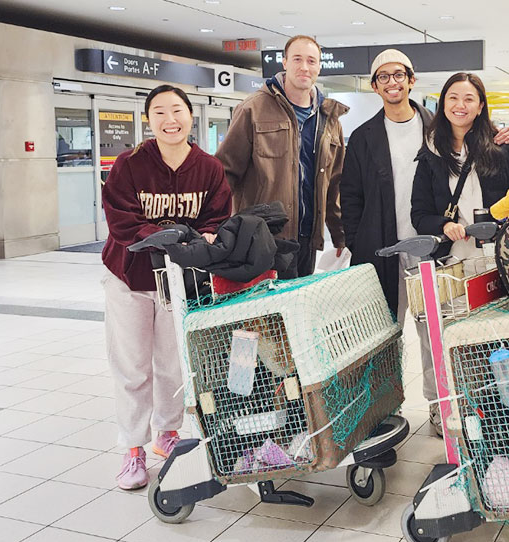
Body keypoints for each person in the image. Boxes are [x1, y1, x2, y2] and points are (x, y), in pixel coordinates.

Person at [341, 53, 509, 435]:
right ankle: (384, 410)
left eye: (399, 75)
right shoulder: (362, 137)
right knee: (384, 333)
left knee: (432, 332)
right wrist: (357, 243)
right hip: (383, 250)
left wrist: (507, 138)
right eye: (383, 77)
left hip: (437, 251)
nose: (392, 82)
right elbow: (350, 196)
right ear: (374, 85)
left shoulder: (432, 129)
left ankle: (440, 407)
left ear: (411, 80)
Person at [101, 85, 232, 490]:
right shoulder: (129, 164)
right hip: (131, 277)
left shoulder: (209, 167)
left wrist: (196, 238)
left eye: (177, 110)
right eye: (159, 112)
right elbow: (120, 218)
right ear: (148, 119)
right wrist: (170, 234)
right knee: (133, 366)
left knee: (173, 363)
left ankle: (167, 433)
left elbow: (216, 218)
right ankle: (133, 447)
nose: (169, 119)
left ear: (191, 116)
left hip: (180, 280)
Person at [216, 34, 347, 277]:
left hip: (307, 240)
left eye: (311, 61)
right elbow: (225, 173)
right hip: (262, 239)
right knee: (267, 314)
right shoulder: (253, 109)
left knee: (301, 311)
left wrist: (339, 234)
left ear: (319, 66)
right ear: (284, 62)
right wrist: (218, 230)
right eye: (297, 59)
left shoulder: (329, 119)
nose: (304, 67)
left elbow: (334, 183)